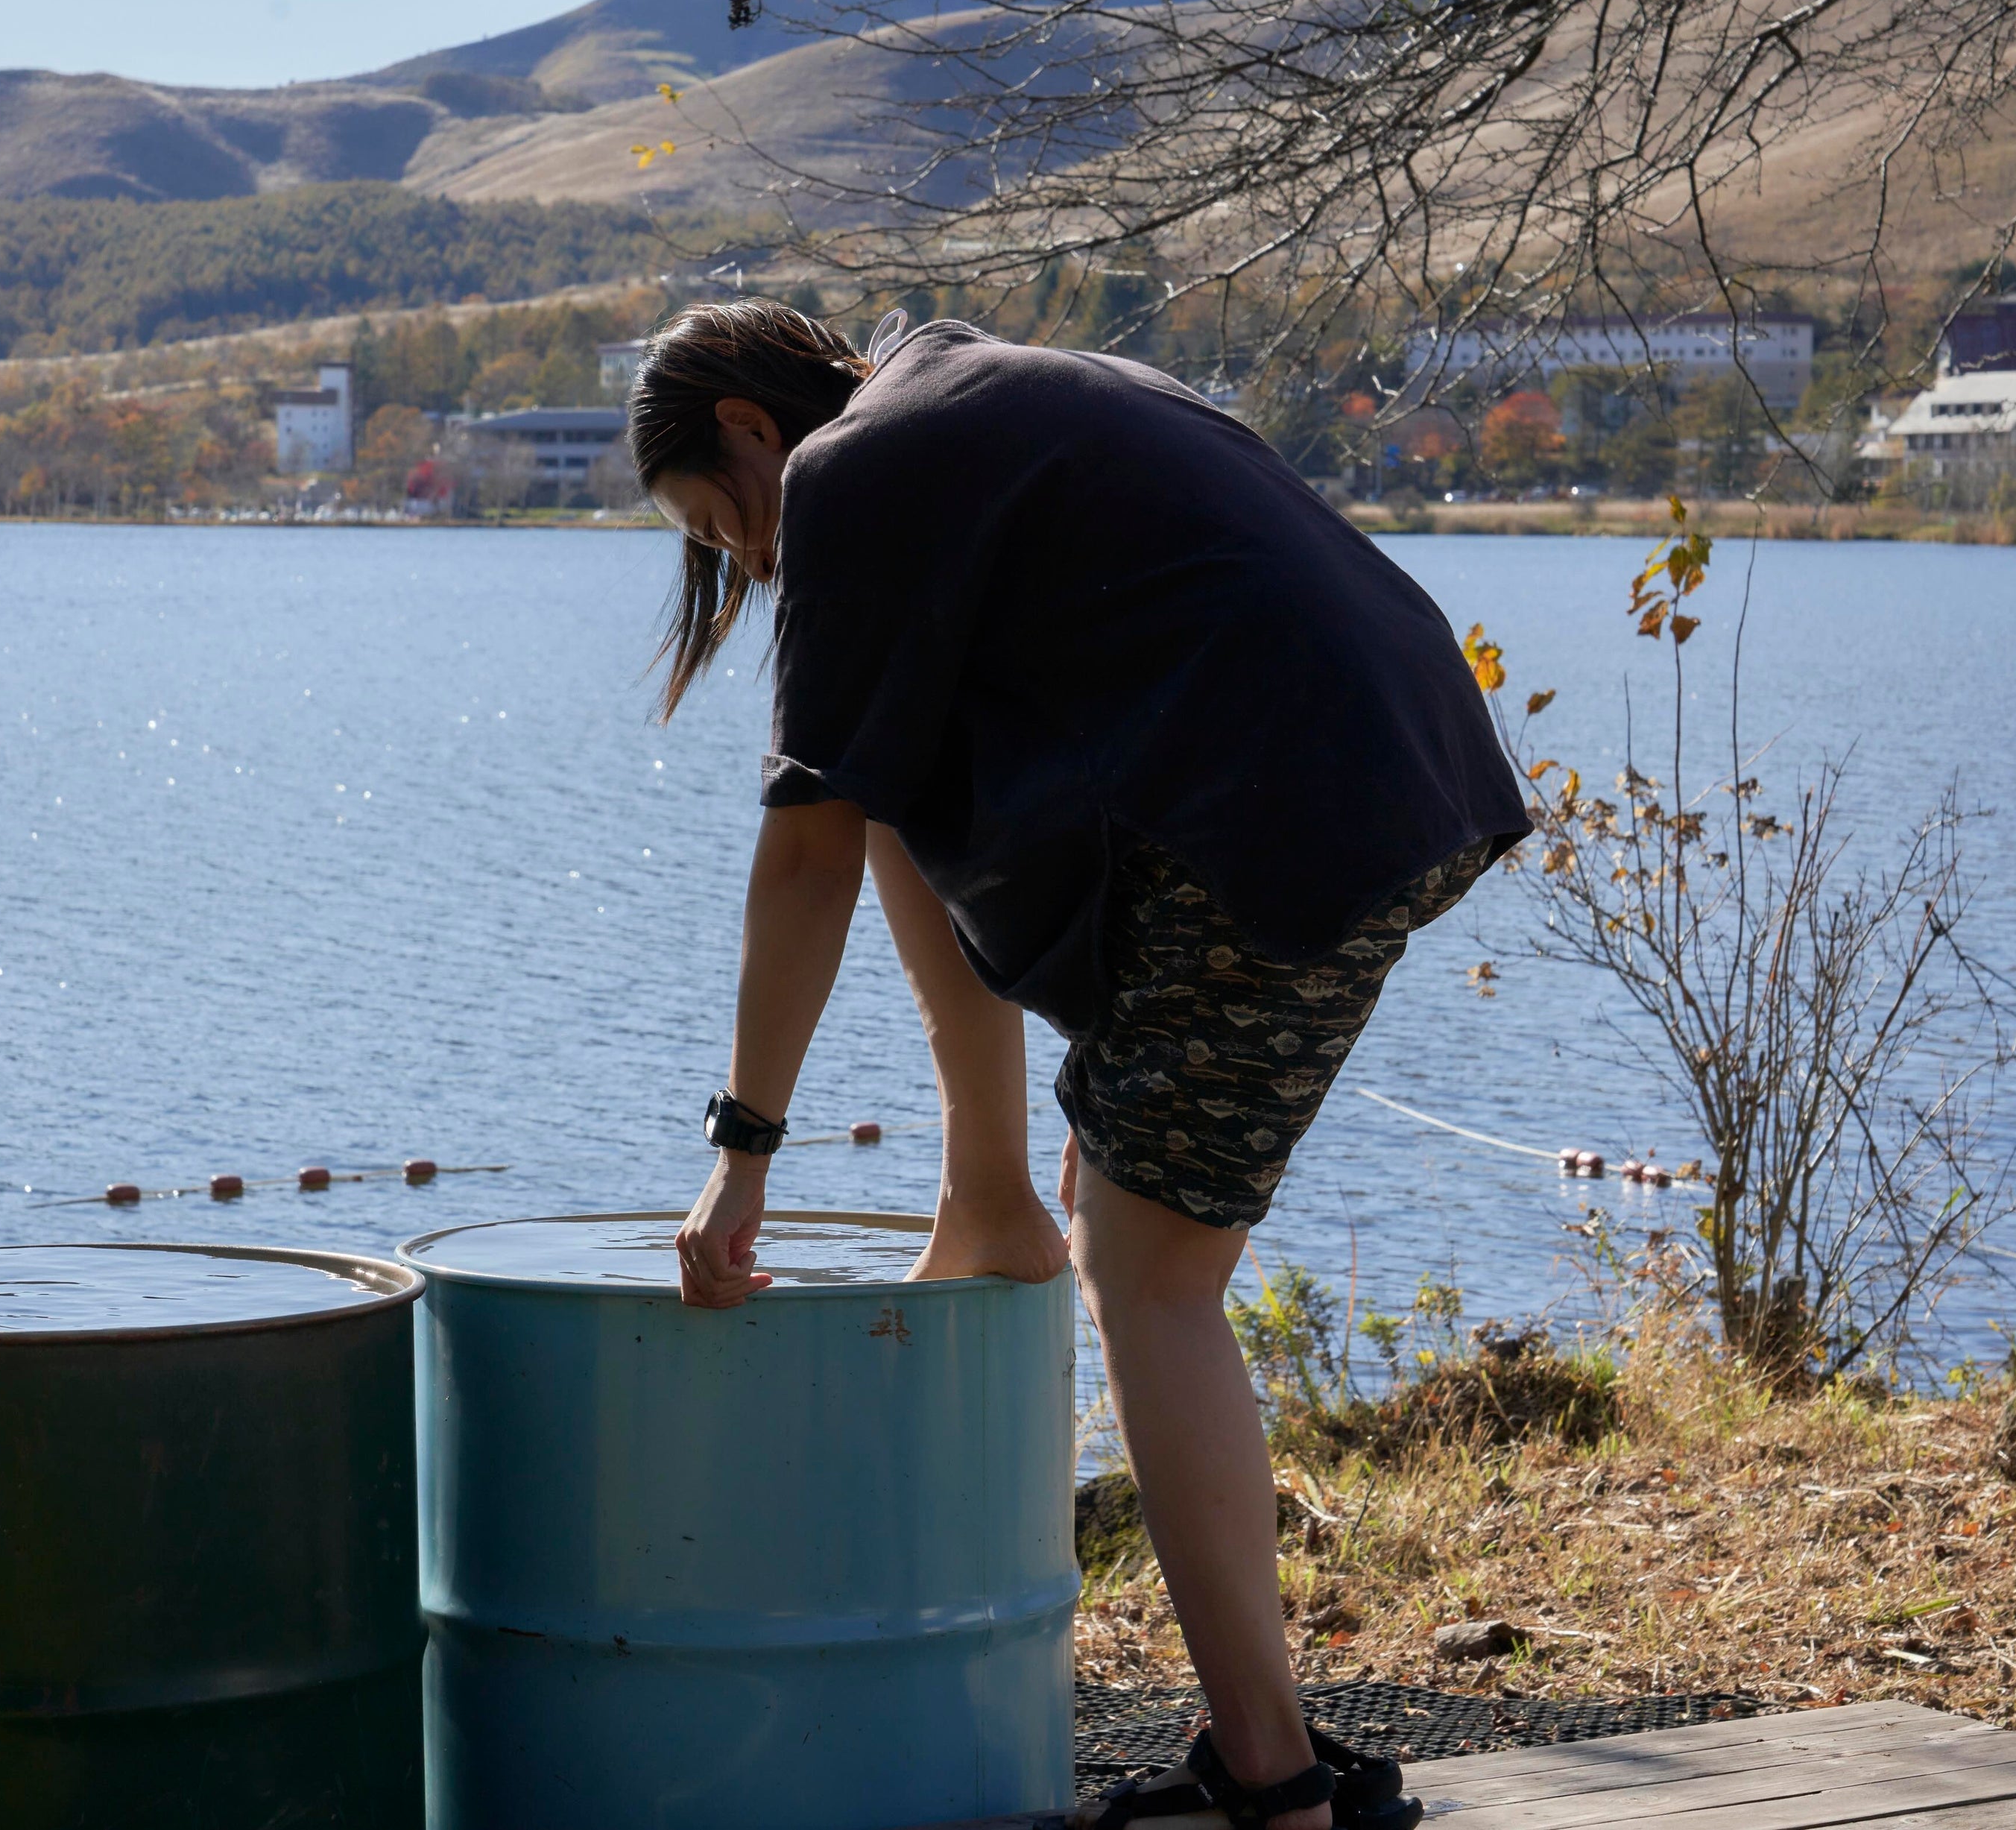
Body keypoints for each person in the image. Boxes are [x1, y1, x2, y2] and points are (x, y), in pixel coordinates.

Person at [631, 299, 1526, 1830]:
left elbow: (802, 861)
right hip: (1400, 752)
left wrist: (743, 1150)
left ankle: (1277, 1784)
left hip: (1291, 804)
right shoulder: (966, 389)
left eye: (726, 524)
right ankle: (989, 1193)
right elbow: (880, 794)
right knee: (1108, 1196)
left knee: (1147, 1279)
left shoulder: (852, 472)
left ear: (744, 427)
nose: (757, 564)